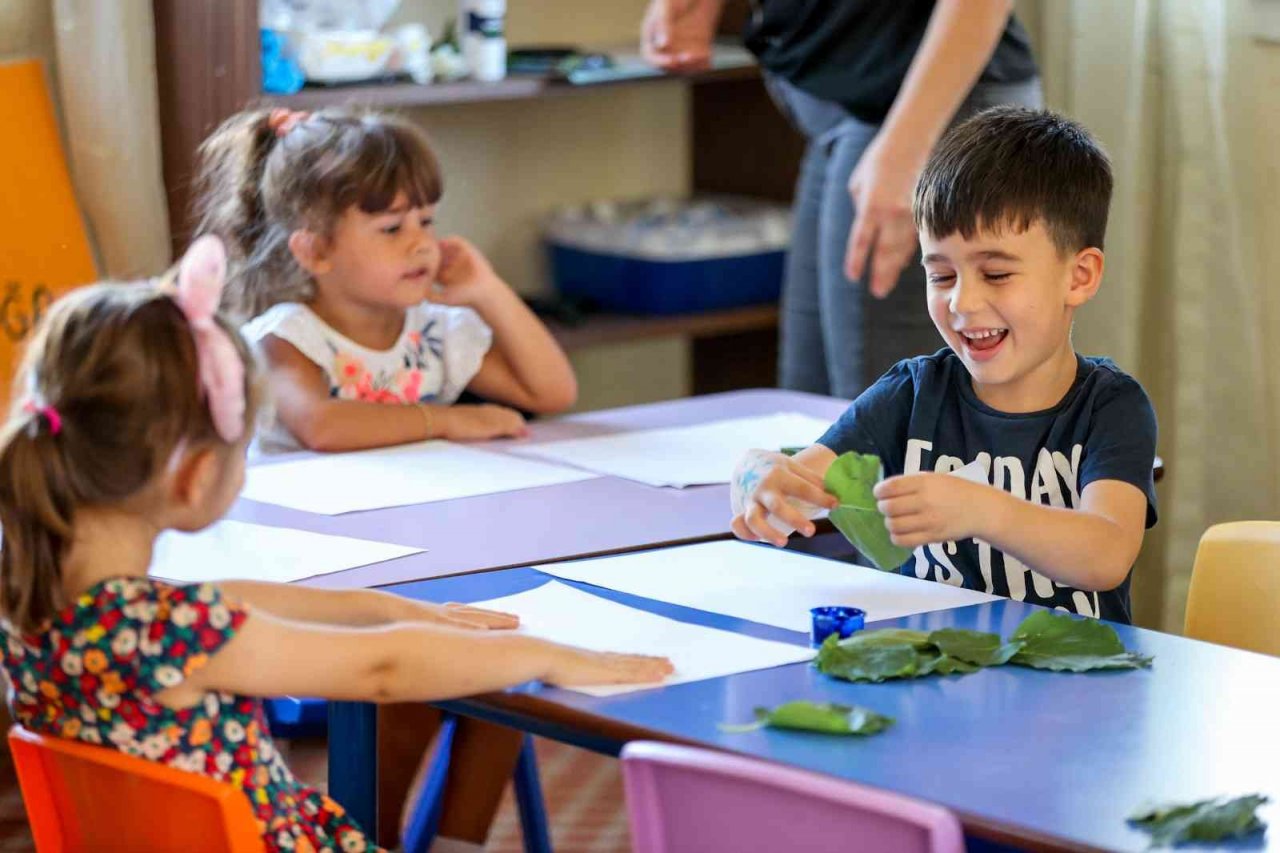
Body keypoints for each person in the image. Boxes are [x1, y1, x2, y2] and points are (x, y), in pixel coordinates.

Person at [0, 236, 671, 851]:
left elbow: (248, 600)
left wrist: (386, 606)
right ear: (195, 474)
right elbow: (381, 670)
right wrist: (543, 653)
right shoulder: (176, 630)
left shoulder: (53, 606)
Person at [730, 108, 1158, 624]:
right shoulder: (910, 394)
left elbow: (1105, 555)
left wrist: (983, 510)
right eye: (941, 275)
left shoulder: (1111, 407)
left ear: (1080, 277)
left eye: (996, 274)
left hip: (1076, 690)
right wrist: (757, 474)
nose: (962, 303)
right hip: (937, 677)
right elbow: (800, 477)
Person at [642, 0, 1042, 398]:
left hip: (919, 112)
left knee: (885, 429)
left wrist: (908, 153)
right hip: (850, 108)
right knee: (810, 408)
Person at [195, 107, 577, 453]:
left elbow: (551, 393)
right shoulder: (285, 339)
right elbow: (322, 426)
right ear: (315, 251)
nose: (422, 245)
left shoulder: (433, 334)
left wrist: (490, 292)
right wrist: (449, 421)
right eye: (392, 229)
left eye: (426, 221)